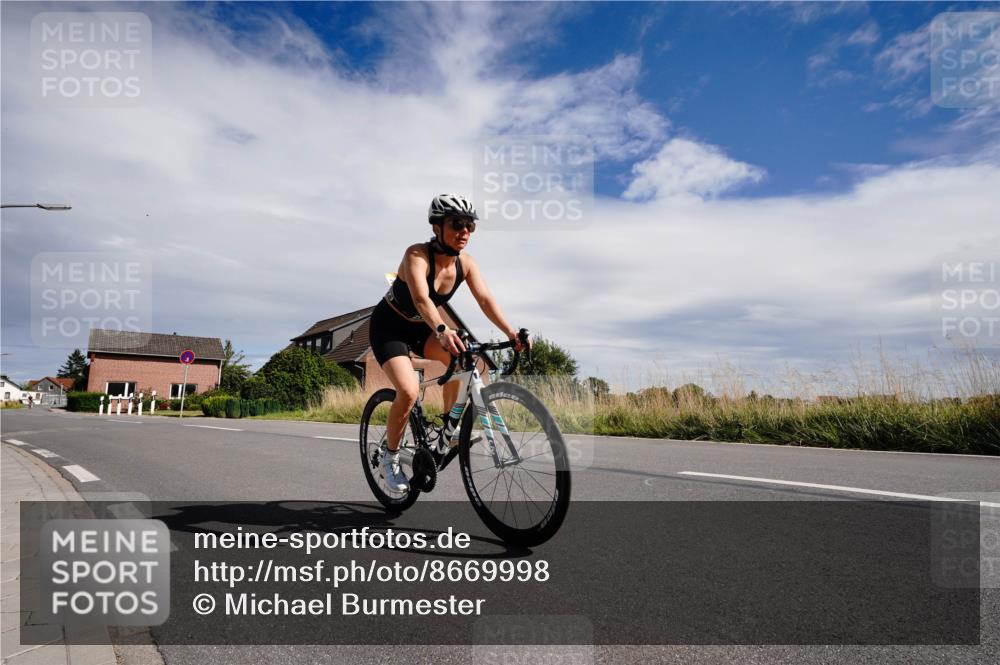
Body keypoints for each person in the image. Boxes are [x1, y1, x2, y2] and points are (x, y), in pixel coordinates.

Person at [369, 194, 531, 492]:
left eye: (470, 225)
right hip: (389, 328)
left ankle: (449, 426)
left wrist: (510, 333)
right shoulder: (416, 255)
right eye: (457, 224)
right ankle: (389, 459)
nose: (465, 231)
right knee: (408, 390)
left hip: (423, 328)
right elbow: (420, 298)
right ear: (437, 228)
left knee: (464, 357)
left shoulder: (466, 264)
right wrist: (443, 329)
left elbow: (485, 299)